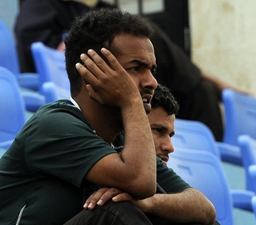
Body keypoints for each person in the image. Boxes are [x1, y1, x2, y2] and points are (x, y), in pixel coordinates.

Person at [0, 8, 158, 224]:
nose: (152, 82)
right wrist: (131, 101)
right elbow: (140, 181)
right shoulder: (53, 124)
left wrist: (150, 203)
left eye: (152, 70)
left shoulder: (125, 142)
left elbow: (204, 209)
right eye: (136, 68)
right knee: (116, 212)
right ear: (92, 72)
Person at [15, 0, 250, 142]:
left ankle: (204, 85)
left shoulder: (101, 8)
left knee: (201, 92)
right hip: (79, 78)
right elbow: (36, 49)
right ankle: (205, 79)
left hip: (120, 75)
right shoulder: (41, 5)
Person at [84, 84, 217, 224]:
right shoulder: (93, 144)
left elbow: (206, 209)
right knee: (119, 207)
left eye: (170, 136)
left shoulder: (152, 165)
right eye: (159, 131)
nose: (170, 147)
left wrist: (149, 202)